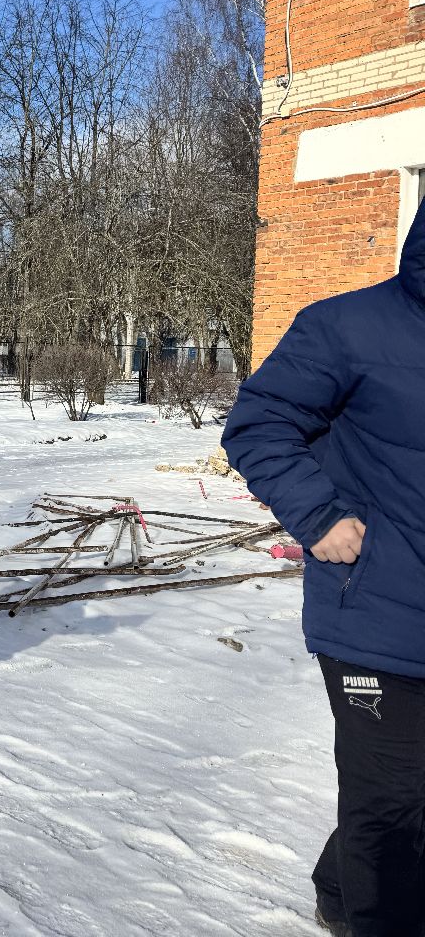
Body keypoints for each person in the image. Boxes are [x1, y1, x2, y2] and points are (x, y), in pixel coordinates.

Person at [222, 199, 425, 937]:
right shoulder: (347, 327)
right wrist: (319, 518)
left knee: (405, 795)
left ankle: (339, 895)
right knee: (391, 805)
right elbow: (257, 424)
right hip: (374, 610)